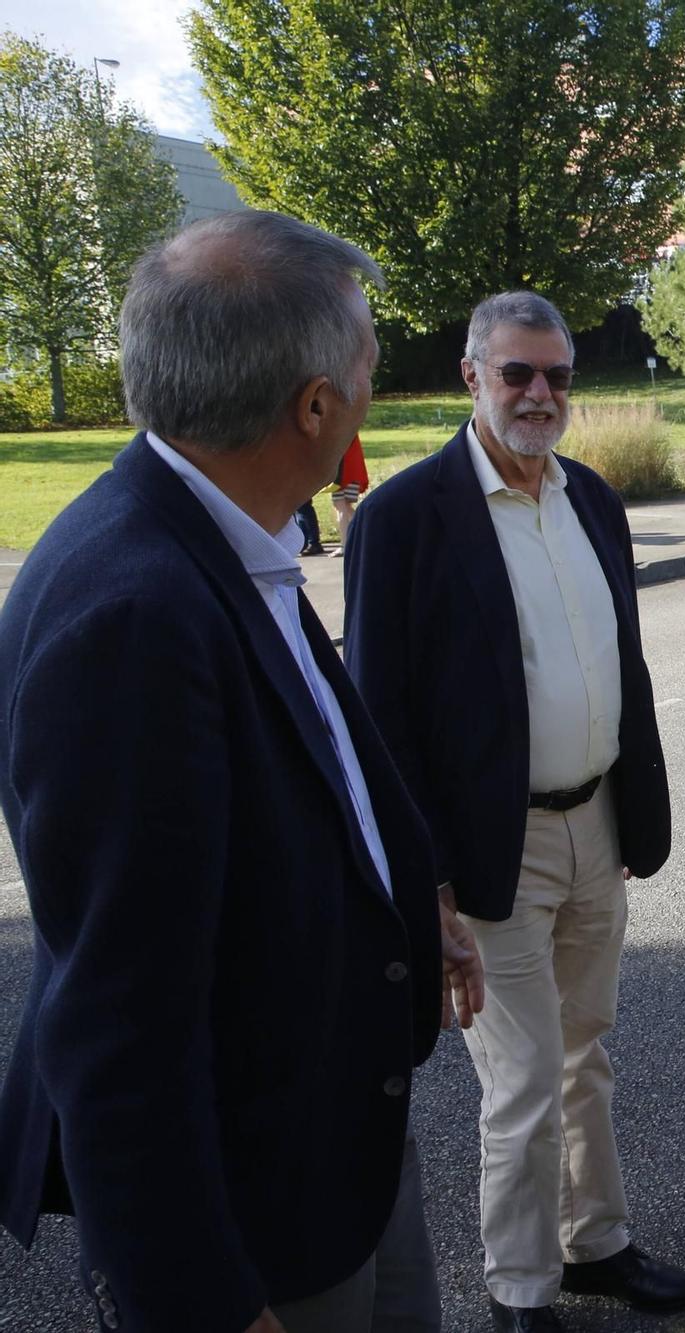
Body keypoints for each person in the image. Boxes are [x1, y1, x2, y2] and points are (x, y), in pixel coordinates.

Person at [0, 210, 483, 1333]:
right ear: (315, 407)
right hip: (256, 1224)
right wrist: (199, 1302)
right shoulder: (134, 613)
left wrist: (413, 904)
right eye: (367, 360)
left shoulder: (225, 533)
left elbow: (312, 773)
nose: (374, 384)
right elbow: (116, 1019)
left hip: (338, 1152)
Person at [343, 291, 685, 1332]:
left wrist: (627, 811)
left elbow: (616, 663)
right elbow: (380, 718)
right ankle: (519, 1292)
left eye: (557, 377)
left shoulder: (591, 498)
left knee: (588, 1051)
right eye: (517, 374)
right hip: (489, 852)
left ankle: (598, 1246)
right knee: (526, 1079)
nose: (540, 395)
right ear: (470, 377)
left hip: (597, 829)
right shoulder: (405, 519)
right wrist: (430, 877)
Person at [331, 433, 370, 551]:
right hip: (353, 474)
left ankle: (344, 544)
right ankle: (367, 530)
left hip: (342, 475)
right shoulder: (350, 430)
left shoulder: (342, 432)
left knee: (340, 507)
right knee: (345, 507)